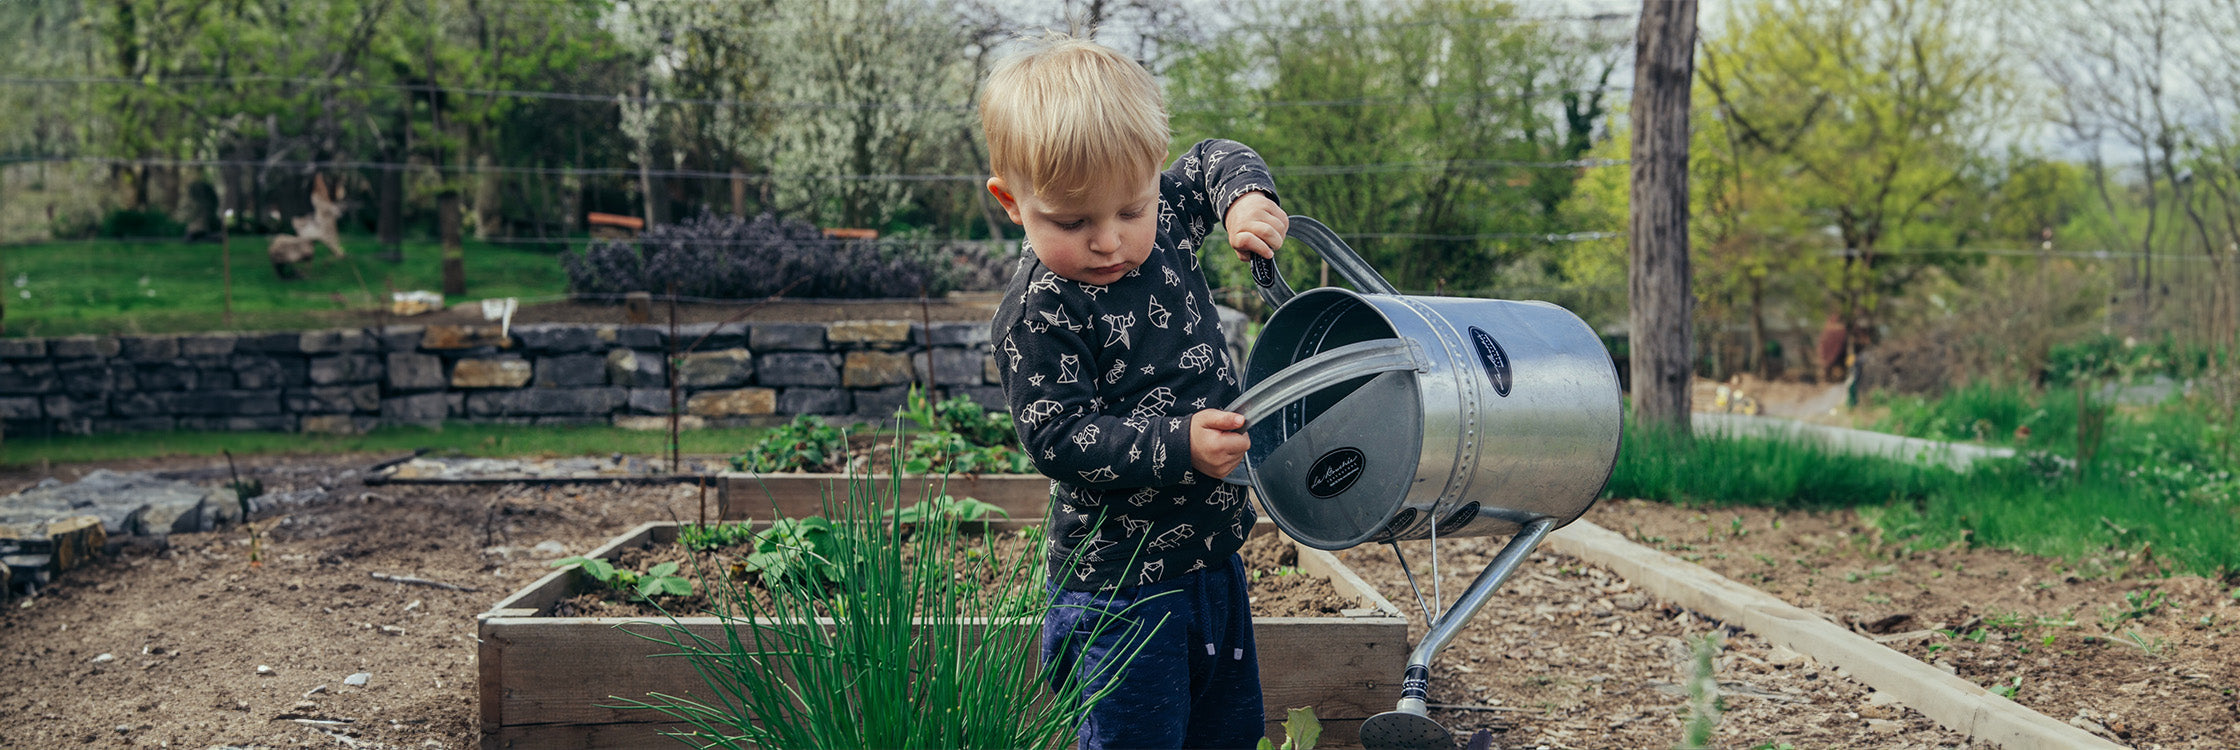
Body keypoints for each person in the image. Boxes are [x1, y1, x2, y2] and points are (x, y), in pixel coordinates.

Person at [981, 33, 1290, 750]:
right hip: (1119, 586)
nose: (1110, 241)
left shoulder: (1170, 218)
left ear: (1153, 176)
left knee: (1228, 729)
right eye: (1071, 221)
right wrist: (1178, 445)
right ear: (1010, 201)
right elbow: (1057, 434)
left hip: (1214, 559)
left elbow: (1215, 156)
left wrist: (1244, 201)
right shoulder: (1041, 310)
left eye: (1130, 209)